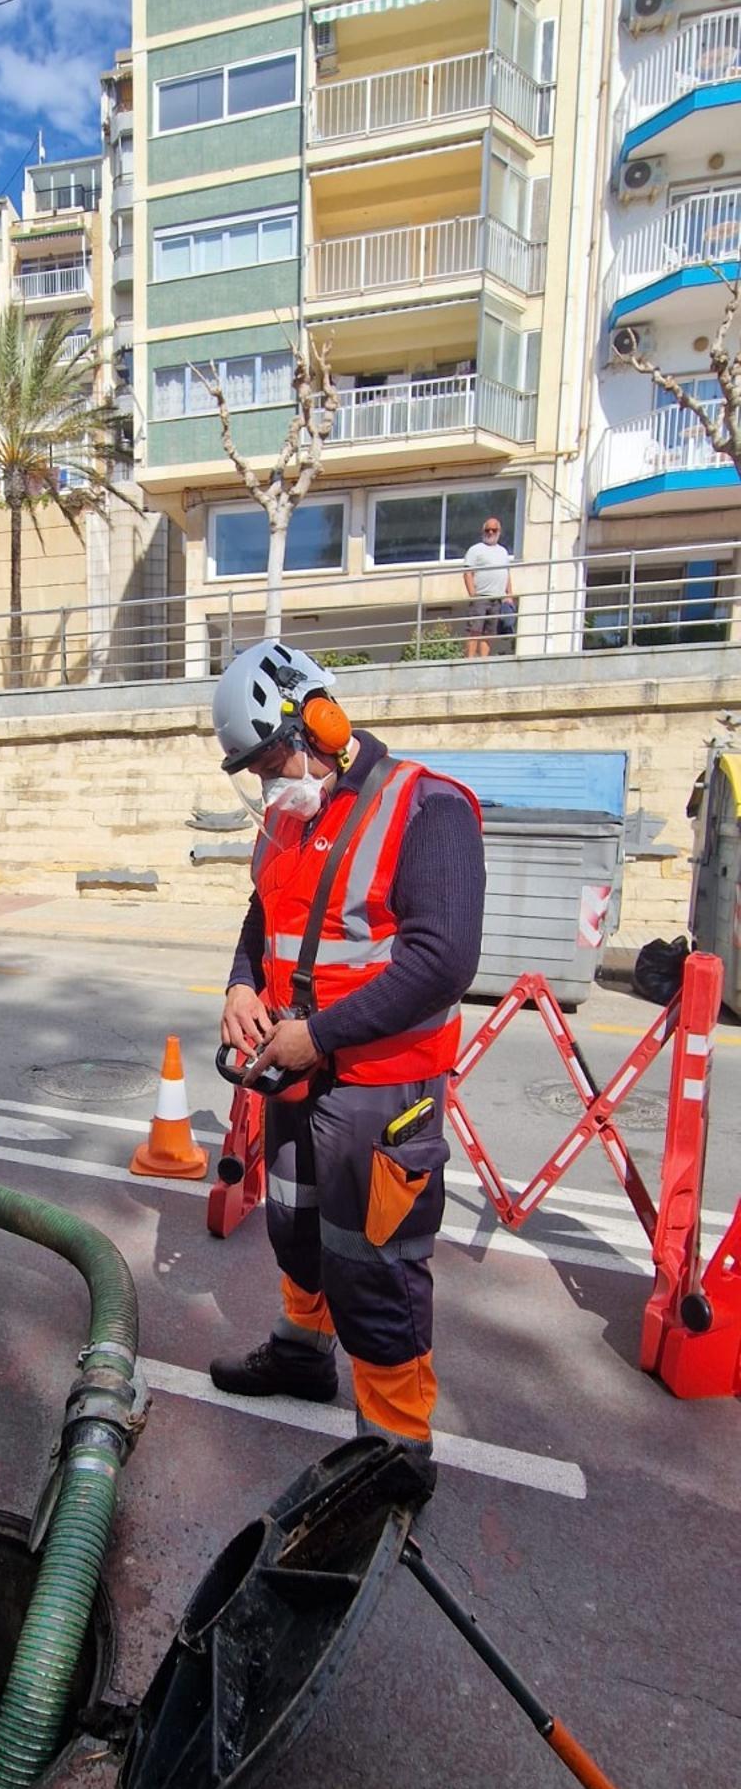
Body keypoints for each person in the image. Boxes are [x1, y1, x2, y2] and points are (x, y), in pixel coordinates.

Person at [211, 640, 485, 1481]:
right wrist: (240, 984)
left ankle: (396, 1448)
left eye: (270, 756)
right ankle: (301, 1353)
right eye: (252, 767)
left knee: (376, 1267)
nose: (266, 780)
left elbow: (443, 961)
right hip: (295, 1070)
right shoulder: (290, 818)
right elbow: (264, 922)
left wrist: (319, 1037)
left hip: (380, 1088)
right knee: (297, 1227)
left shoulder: (427, 808)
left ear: (320, 721)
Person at [462, 515, 514, 660]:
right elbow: (467, 573)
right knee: (475, 629)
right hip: (481, 596)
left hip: (497, 598)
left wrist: (509, 595)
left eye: (494, 530)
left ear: (499, 532)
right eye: (488, 530)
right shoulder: (475, 550)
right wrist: (473, 595)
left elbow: (506, 573)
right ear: (483, 531)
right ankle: (470, 659)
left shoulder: (503, 551)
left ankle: (484, 660)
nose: (490, 533)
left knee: (489, 632)